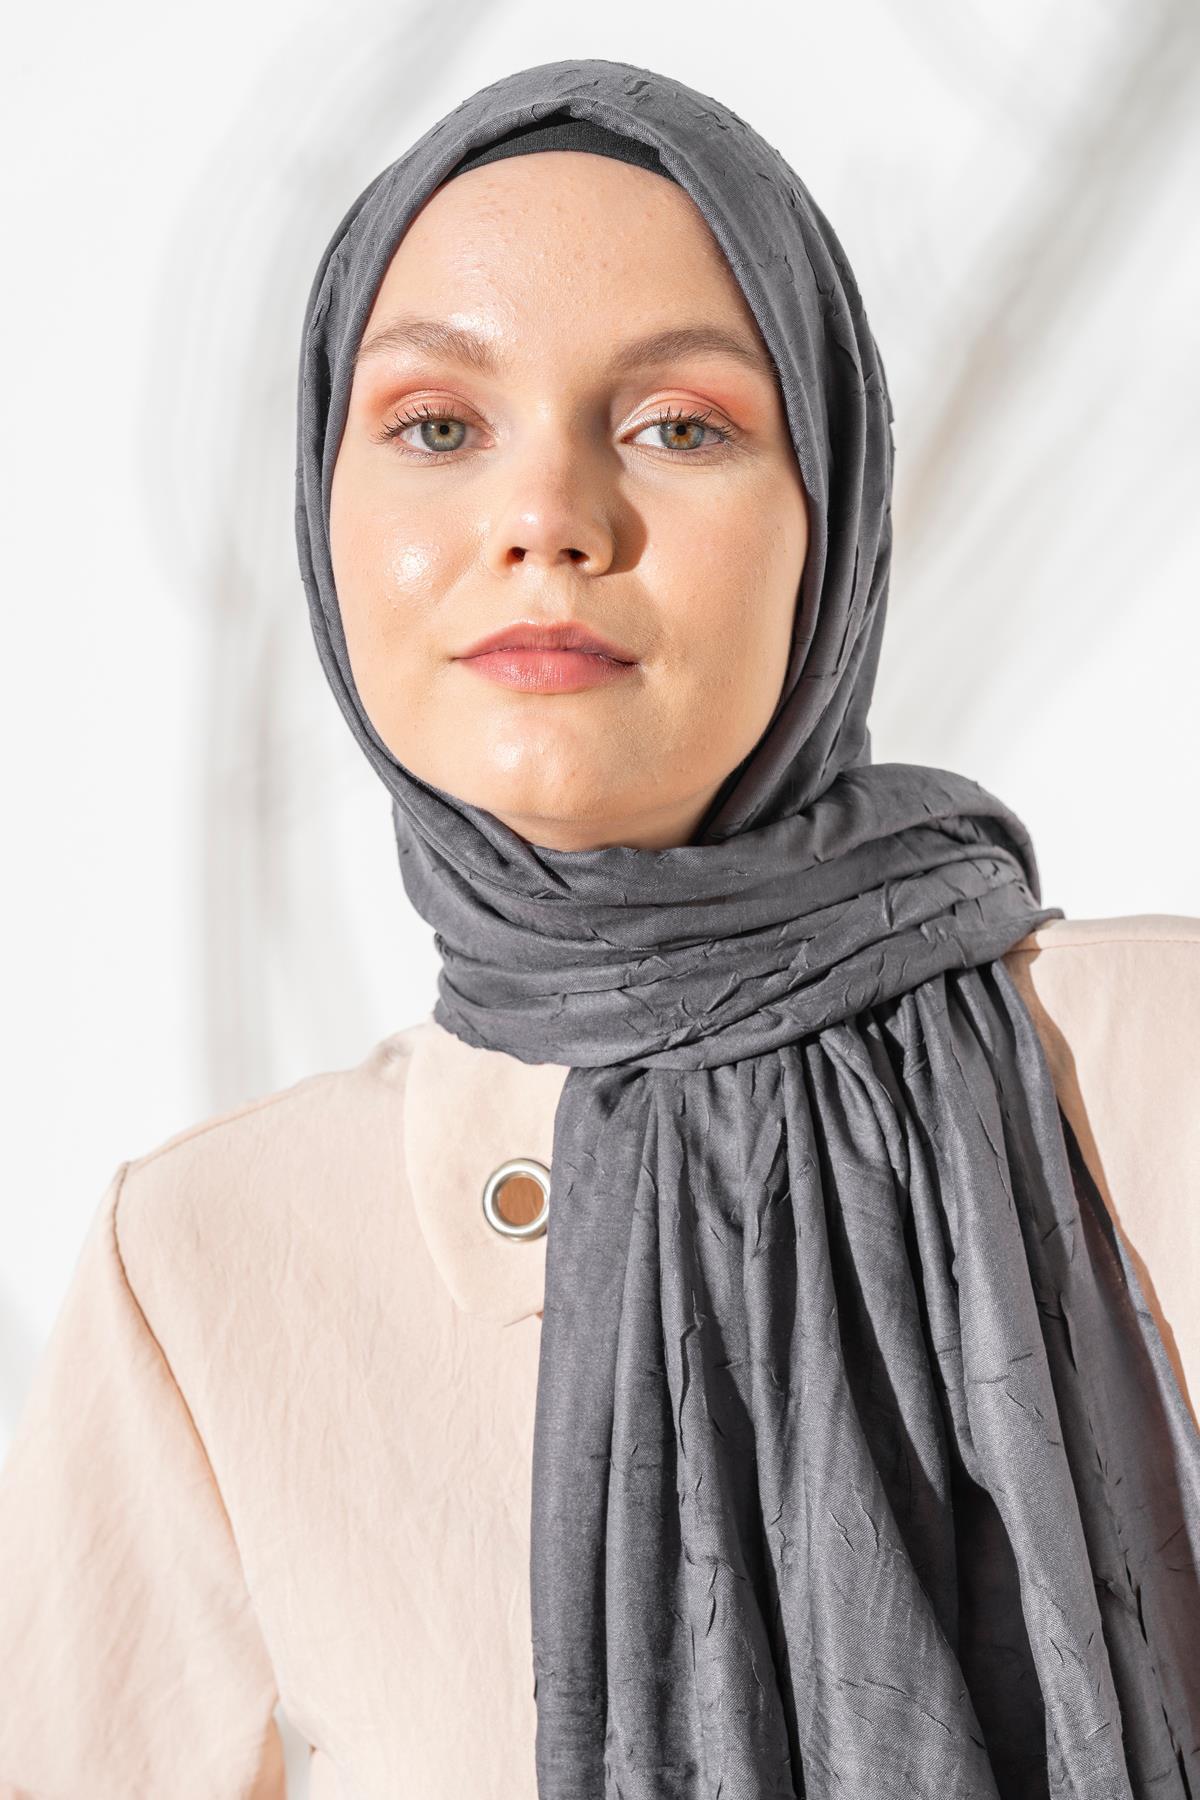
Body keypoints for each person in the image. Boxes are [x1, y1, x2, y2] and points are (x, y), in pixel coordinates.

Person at [1, 56, 1197, 1800]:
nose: (547, 520)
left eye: (678, 427)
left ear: (832, 516)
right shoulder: (203, 1266)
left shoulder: (1155, 1072)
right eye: (436, 426)